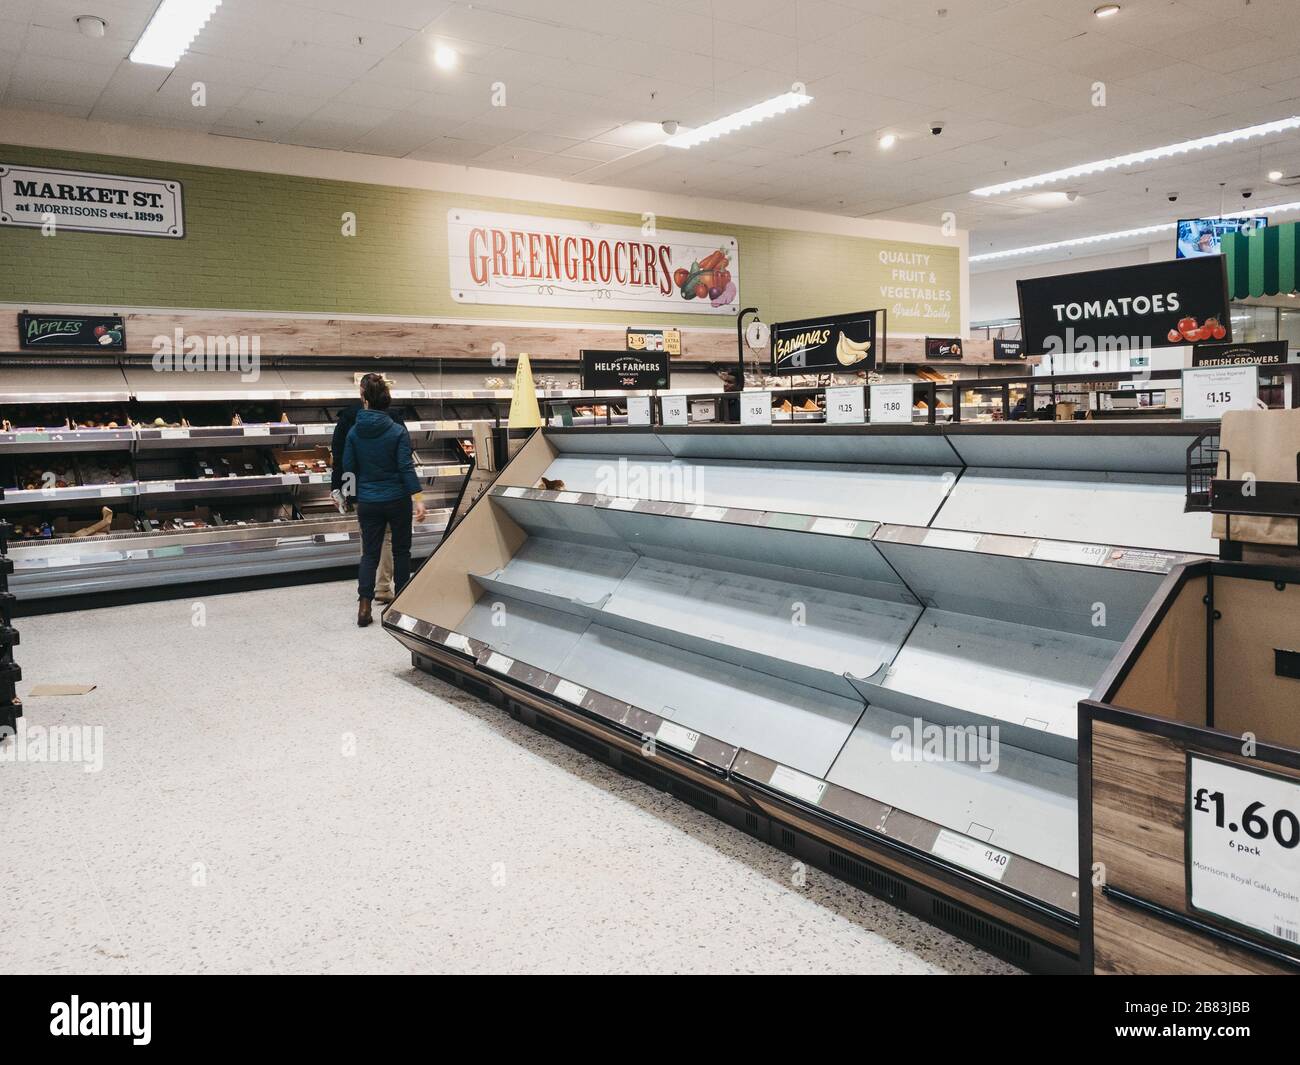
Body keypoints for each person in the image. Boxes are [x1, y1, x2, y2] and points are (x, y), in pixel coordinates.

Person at [342, 374, 426, 627]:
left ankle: (364, 606)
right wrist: (418, 498)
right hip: (397, 499)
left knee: (369, 555)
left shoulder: (354, 432)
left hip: (368, 501)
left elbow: (349, 467)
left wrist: (349, 497)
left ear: (364, 399)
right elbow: (405, 467)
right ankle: (399, 607)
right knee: (401, 551)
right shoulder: (397, 431)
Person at [331, 376, 407, 603]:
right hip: (394, 491)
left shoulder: (348, 419)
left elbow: (341, 460)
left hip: (364, 491)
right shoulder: (394, 419)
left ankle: (372, 589)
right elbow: (405, 456)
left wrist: (343, 490)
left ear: (362, 392)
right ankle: (383, 588)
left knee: (369, 538)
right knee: (389, 539)